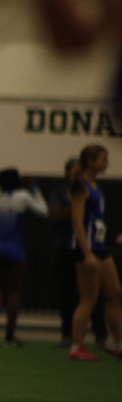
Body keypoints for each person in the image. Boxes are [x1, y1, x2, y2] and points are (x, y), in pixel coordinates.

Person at [0, 168, 48, 348]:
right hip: (14, 248)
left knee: (0, 289)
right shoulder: (22, 197)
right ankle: (9, 335)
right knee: (14, 291)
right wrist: (34, 189)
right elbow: (43, 211)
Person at [67, 144, 122, 361]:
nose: (106, 163)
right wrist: (87, 252)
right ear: (90, 162)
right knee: (89, 298)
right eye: (102, 159)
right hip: (87, 248)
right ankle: (76, 346)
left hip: (100, 246)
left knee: (116, 294)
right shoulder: (80, 186)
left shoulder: (95, 186)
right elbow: (76, 221)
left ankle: (119, 342)